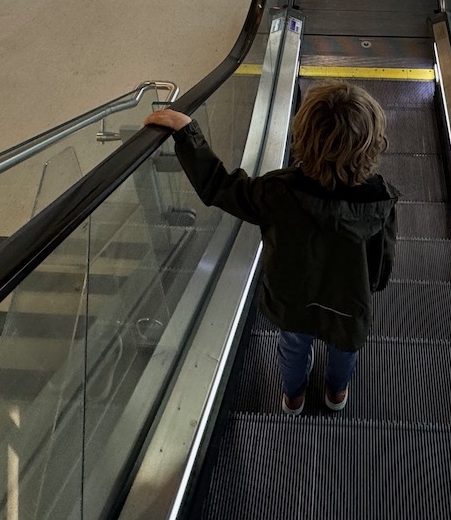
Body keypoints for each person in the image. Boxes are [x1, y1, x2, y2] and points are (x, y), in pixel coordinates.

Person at [144, 80, 399, 414]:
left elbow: (219, 186)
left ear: (303, 137)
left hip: (292, 298)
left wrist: (188, 132)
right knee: (344, 350)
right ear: (372, 145)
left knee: (293, 347)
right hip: (348, 304)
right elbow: (381, 267)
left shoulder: (276, 192)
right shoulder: (381, 201)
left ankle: (294, 396)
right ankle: (336, 393)